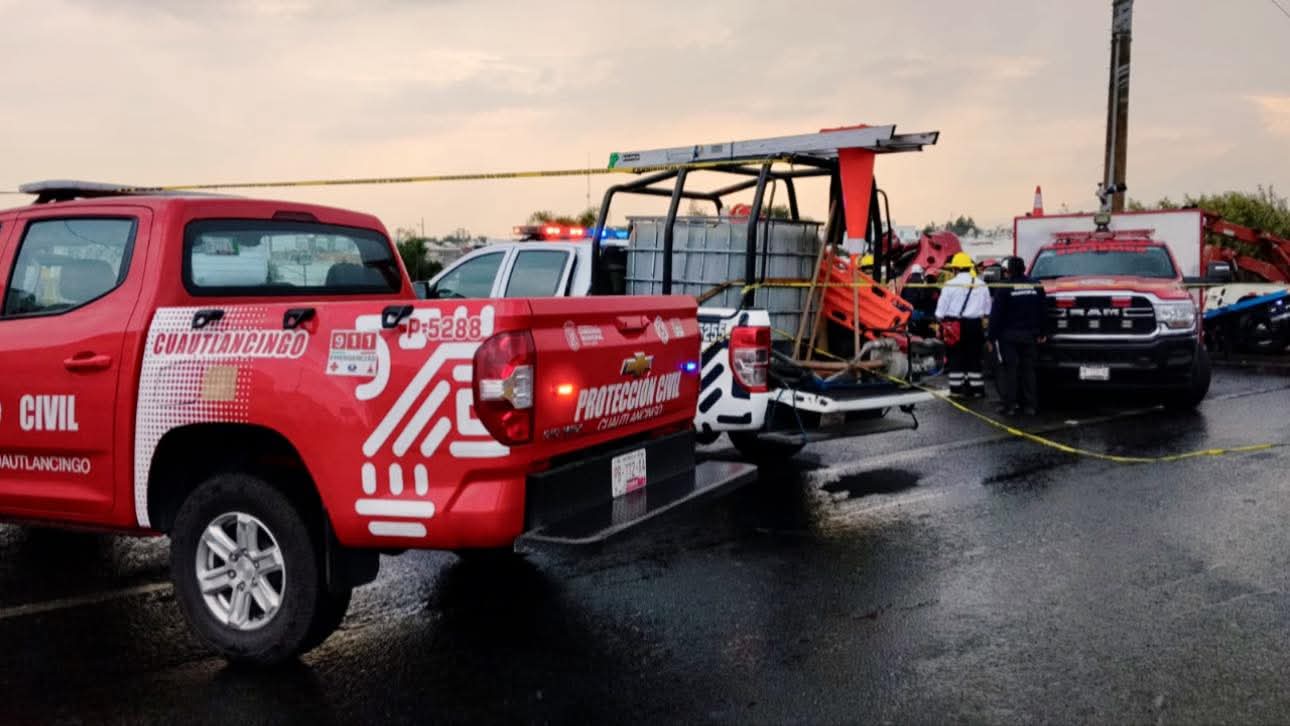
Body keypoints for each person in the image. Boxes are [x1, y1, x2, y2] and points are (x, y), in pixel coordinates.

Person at [988, 256, 1048, 415]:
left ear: (1009, 270)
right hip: (1030, 336)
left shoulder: (1004, 287)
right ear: (1024, 268)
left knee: (1010, 371)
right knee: (1029, 371)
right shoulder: (1036, 285)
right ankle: (1030, 406)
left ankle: (1010, 406)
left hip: (1009, 337)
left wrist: (990, 337)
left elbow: (996, 315)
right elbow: (1043, 311)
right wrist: (1042, 331)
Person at [935, 252, 991, 397]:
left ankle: (956, 390)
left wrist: (941, 322)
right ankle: (977, 390)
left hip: (955, 326)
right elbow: (987, 310)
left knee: (955, 358)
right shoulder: (981, 284)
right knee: (974, 358)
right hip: (975, 325)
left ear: (955, 269)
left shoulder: (949, 285)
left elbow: (939, 312)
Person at [901, 264, 937, 337]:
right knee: (921, 329)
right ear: (920, 272)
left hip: (908, 310)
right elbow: (922, 296)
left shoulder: (907, 283)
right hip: (918, 310)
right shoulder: (921, 283)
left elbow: (902, 296)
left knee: (912, 329)